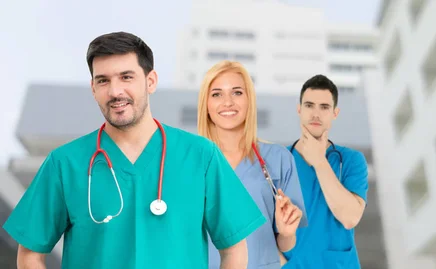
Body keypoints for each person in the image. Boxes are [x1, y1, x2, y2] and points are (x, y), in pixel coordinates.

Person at [2, 32, 266, 269]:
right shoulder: (64, 163)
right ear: (93, 89)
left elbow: (233, 250)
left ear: (150, 81)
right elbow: (30, 254)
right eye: (103, 80)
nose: (115, 91)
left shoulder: (201, 156)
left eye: (126, 77)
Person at [197, 60, 308, 269]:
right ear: (206, 105)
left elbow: (287, 245)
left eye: (237, 92)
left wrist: (286, 232)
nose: (227, 102)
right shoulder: (191, 162)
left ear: (249, 100)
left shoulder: (278, 159)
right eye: (217, 94)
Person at [282, 74, 369, 269]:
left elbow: (350, 218)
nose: (316, 114)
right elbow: (262, 230)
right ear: (299, 109)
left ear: (335, 113)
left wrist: (320, 161)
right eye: (309, 105)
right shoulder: (278, 161)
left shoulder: (350, 161)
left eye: (324, 107)